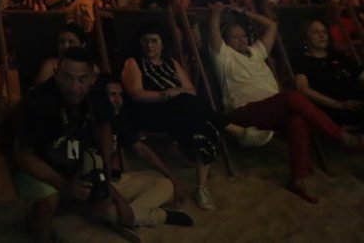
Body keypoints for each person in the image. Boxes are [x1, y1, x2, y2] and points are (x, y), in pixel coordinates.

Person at [208, 2, 364, 203]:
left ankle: (297, 180)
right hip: (244, 111)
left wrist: (244, 12)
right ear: (225, 41)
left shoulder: (256, 52)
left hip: (274, 108)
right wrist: (216, 13)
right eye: (235, 37)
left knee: (297, 119)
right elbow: (213, 32)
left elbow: (272, 25)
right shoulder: (223, 57)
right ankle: (342, 136)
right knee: (291, 97)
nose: (241, 39)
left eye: (243, 35)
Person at [13, 47, 145, 241]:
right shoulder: (38, 101)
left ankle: (66, 209)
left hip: (76, 161)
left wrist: (106, 168)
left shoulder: (96, 94)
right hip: (40, 166)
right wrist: (62, 184)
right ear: (56, 74)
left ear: (91, 78)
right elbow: (22, 155)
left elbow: (105, 124)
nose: (75, 87)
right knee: (46, 205)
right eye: (67, 78)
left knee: (104, 203)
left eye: (82, 79)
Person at [121, 27, 225, 210]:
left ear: (162, 45)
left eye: (154, 41)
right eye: (145, 41)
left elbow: (191, 90)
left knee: (203, 126)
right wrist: (166, 95)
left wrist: (177, 92)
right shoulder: (134, 62)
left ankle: (201, 188)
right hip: (149, 112)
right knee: (192, 107)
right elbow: (137, 94)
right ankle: (227, 124)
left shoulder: (171, 62)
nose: (149, 45)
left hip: (180, 113)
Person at [99, 74, 195, 228]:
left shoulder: (118, 119)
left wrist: (173, 178)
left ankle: (132, 214)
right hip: (99, 184)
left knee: (166, 184)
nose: (118, 100)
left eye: (120, 95)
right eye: (112, 95)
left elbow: (142, 149)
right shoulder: (93, 122)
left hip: (117, 181)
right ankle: (161, 216)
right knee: (108, 212)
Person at [293, 18, 364, 126]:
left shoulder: (337, 55)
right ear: (305, 38)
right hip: (333, 108)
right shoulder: (303, 61)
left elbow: (360, 74)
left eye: (324, 32)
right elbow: (302, 89)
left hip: (357, 100)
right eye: (316, 32)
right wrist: (339, 104)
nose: (322, 35)